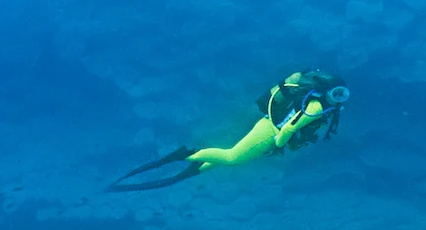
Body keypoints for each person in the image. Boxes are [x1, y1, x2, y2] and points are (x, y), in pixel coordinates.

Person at [109, 70, 348, 192]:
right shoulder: (316, 107)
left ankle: (191, 170)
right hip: (269, 133)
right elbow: (289, 128)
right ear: (327, 90)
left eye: (342, 95)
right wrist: (278, 145)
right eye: (336, 93)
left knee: (230, 157)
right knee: (232, 157)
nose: (338, 98)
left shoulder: (319, 102)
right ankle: (185, 155)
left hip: (267, 125)